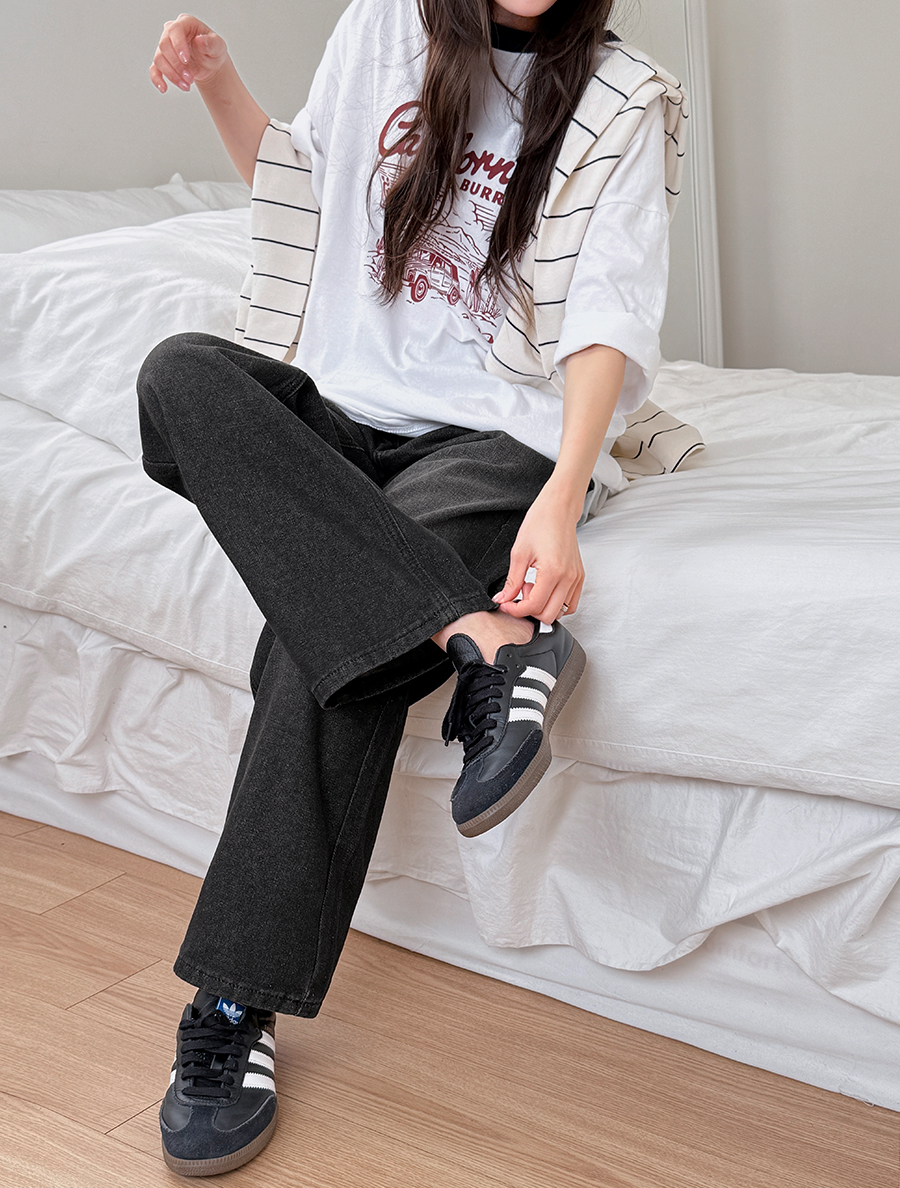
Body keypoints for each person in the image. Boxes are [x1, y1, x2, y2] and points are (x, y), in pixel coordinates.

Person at [140, 0, 677, 1174]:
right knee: (179, 376)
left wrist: (560, 496)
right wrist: (222, 81)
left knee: (319, 640)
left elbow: (612, 312)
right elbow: (301, 197)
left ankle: (232, 1006)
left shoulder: (624, 99)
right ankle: (479, 635)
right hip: (341, 418)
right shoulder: (382, 27)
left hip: (492, 439)